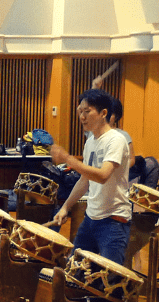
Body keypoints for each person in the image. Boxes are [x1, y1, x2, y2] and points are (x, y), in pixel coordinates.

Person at [49, 89, 132, 264]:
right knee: (76, 271)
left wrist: (68, 159)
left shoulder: (116, 140)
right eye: (80, 112)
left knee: (110, 281)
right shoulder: (90, 142)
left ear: (103, 113)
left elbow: (103, 176)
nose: (82, 117)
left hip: (113, 221)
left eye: (87, 111)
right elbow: (84, 180)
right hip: (91, 219)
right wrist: (65, 207)